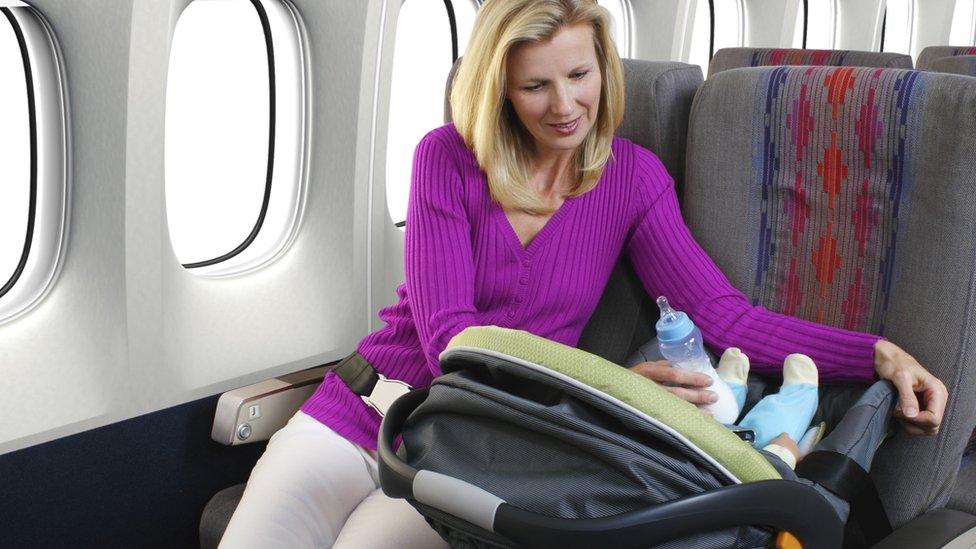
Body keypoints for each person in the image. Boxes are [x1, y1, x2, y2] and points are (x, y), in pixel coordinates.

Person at [220, 0, 949, 546]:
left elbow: (722, 317)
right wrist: (614, 384)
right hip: (363, 410)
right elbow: (453, 339)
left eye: (579, 74)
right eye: (536, 86)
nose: (565, 106)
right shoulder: (444, 157)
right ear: (500, 87)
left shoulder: (632, 180)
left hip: (487, 438)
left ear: (603, 67)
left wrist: (877, 353)